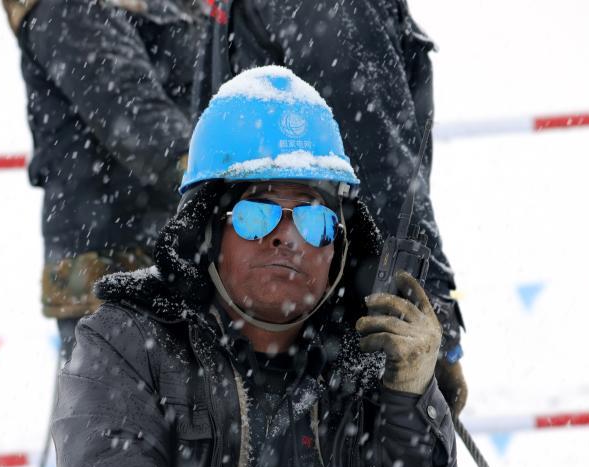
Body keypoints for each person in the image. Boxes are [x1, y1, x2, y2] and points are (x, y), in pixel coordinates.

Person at [45, 67, 465, 467]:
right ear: (208, 228)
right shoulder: (123, 342)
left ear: (338, 244)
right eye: (256, 215)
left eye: (313, 220)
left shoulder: (366, 357)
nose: (287, 236)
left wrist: (410, 402)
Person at [194, 0, 469, 413]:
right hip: (311, 313)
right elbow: (381, 168)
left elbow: (381, 167)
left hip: (307, 312)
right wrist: (429, 313)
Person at [2, 0, 202, 356]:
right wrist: (223, 179)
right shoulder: (70, 9)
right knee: (114, 387)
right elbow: (133, 116)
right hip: (114, 257)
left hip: (172, 249)